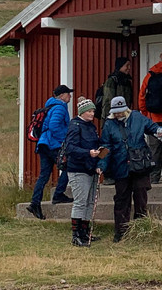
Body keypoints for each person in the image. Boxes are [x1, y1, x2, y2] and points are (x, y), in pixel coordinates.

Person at [99, 96, 162, 243]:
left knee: (141, 196)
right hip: (120, 166)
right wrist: (101, 166)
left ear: (125, 109)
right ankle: (121, 231)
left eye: (120, 111)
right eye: (115, 112)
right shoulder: (109, 124)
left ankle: (141, 228)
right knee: (121, 199)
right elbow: (105, 146)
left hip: (139, 165)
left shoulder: (137, 117)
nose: (118, 115)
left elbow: (151, 126)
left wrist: (159, 131)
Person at [62, 97, 106, 246]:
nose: (92, 113)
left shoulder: (91, 126)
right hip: (78, 169)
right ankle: (76, 235)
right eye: (89, 111)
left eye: (93, 110)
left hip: (92, 168)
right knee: (80, 202)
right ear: (82, 112)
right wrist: (88, 152)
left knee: (89, 202)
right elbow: (70, 148)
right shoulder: (75, 126)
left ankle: (85, 232)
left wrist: (99, 156)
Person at [28, 84, 73, 218]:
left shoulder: (50, 106)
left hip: (43, 144)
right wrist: (65, 139)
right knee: (68, 166)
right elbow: (54, 126)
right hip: (53, 144)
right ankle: (58, 194)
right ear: (62, 96)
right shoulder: (59, 108)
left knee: (44, 175)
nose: (70, 96)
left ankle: (35, 203)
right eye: (68, 94)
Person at [138, 52, 162, 183]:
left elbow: (142, 96)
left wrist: (145, 113)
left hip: (153, 119)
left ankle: (153, 177)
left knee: (154, 149)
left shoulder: (149, 76)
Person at [99, 56, 134, 121]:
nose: (129, 68)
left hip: (124, 116)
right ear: (120, 66)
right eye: (127, 65)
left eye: (129, 65)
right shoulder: (112, 81)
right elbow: (108, 101)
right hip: (113, 117)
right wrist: (109, 118)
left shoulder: (127, 82)